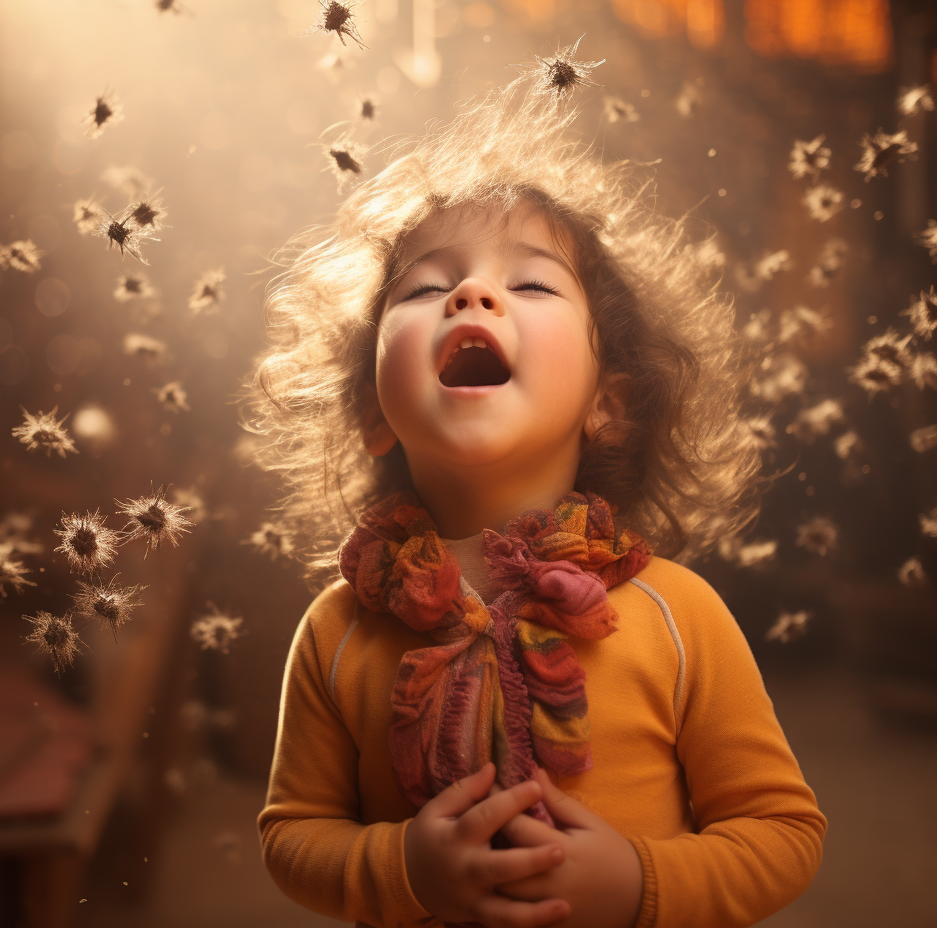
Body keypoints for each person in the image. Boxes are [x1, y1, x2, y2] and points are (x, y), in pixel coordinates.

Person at [246, 60, 826, 928]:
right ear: (374, 408)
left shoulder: (678, 617)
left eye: (531, 283)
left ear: (609, 404)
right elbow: (293, 834)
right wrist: (402, 866)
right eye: (428, 286)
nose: (472, 294)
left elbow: (783, 832)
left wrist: (638, 884)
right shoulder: (337, 628)